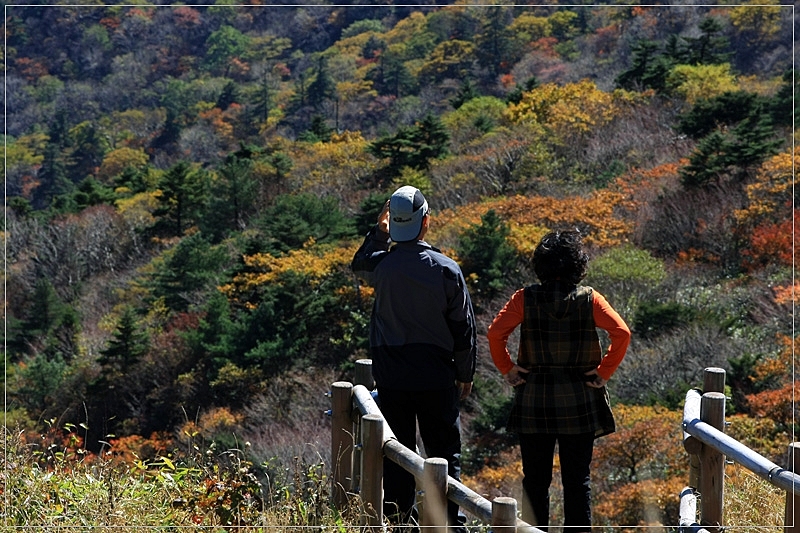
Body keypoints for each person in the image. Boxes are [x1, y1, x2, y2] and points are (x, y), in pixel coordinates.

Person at [351, 185, 477, 533]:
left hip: (391, 373)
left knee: (397, 453)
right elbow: (463, 329)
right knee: (444, 452)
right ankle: (451, 524)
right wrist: (465, 374)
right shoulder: (446, 269)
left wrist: (379, 231)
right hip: (437, 374)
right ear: (426, 222)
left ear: (394, 223)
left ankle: (398, 522)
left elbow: (358, 264)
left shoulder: (382, 266)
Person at [486, 229, 630, 531]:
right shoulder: (591, 300)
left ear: (541, 265)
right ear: (578, 266)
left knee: (535, 481)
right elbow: (622, 334)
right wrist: (603, 373)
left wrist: (508, 369)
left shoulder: (523, 299)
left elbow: (495, 334)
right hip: (580, 398)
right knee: (577, 481)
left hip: (534, 398)